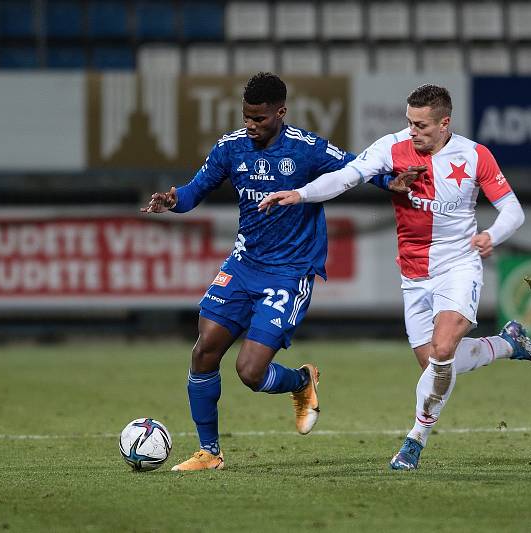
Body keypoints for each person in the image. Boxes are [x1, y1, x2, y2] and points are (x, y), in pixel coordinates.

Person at [258, 84, 531, 471]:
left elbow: (513, 210)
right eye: (409, 123)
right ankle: (508, 343)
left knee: (443, 350)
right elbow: (347, 176)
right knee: (434, 362)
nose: (413, 132)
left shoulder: (475, 155)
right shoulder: (391, 148)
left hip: (459, 265)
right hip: (414, 275)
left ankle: (415, 440)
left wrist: (491, 235)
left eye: (423, 125)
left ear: (445, 123)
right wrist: (300, 193)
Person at [140, 72, 411, 471]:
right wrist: (172, 199)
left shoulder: (307, 149)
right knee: (204, 350)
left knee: (249, 372)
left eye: (260, 119)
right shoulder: (230, 148)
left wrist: (392, 181)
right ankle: (209, 453)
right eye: (246, 117)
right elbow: (194, 191)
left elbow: (358, 168)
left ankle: (301, 382)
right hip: (244, 263)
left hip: (290, 271)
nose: (250, 125)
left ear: (280, 112)